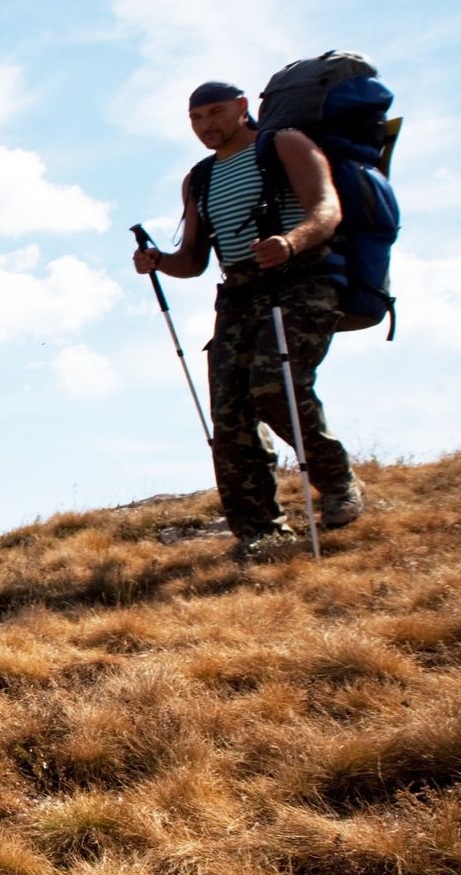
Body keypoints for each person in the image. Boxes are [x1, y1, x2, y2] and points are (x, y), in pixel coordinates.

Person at [133, 80, 364, 558]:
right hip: (238, 295)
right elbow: (193, 261)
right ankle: (260, 532)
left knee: (273, 384)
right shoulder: (199, 178)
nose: (206, 125)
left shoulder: (284, 144)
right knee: (230, 415)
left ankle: (338, 482)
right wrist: (158, 261)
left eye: (215, 113)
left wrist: (290, 242)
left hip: (302, 280)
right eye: (196, 119)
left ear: (242, 108)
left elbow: (327, 209)